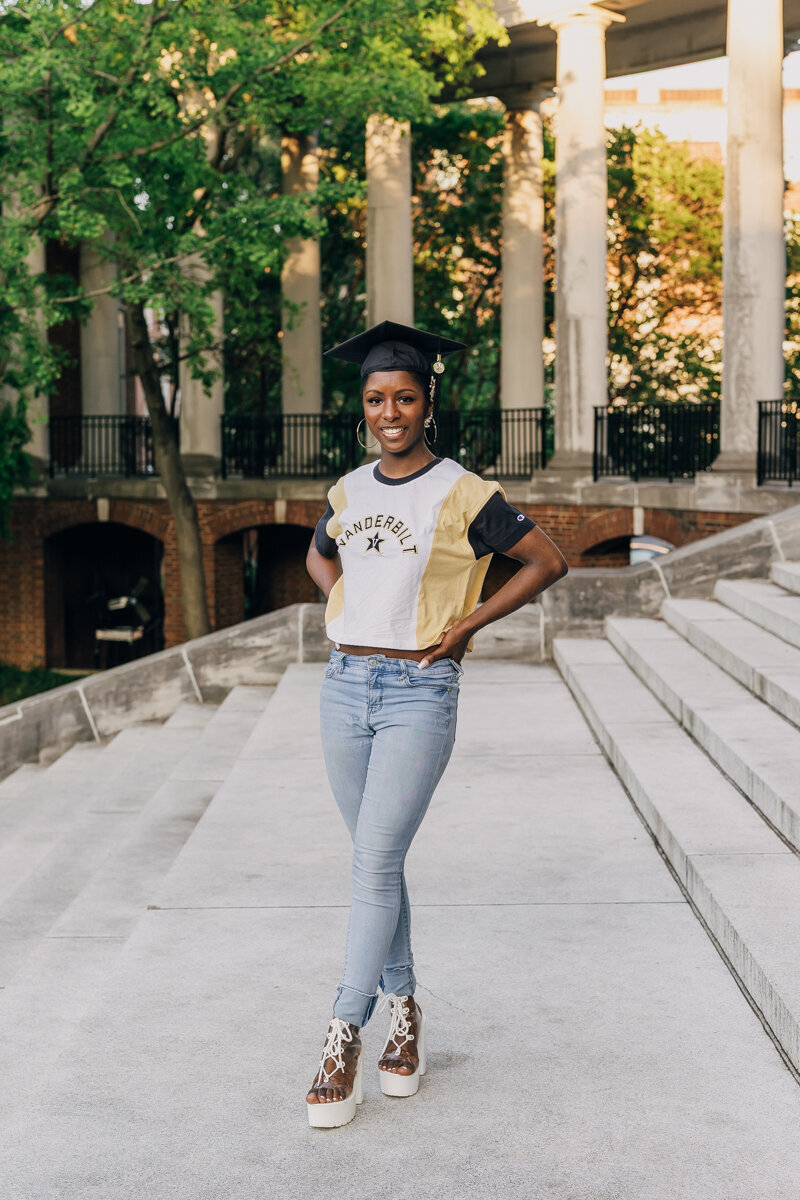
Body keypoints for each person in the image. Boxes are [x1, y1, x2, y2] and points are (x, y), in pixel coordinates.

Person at [304, 320, 567, 1128]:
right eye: (378, 398)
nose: (391, 411)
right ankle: (407, 1011)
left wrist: (468, 625)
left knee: (375, 861)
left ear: (428, 403)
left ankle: (344, 1032)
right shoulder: (348, 490)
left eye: (405, 398)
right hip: (345, 684)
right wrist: (339, 601)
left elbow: (547, 559)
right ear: (364, 406)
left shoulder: (463, 491)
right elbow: (321, 554)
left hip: (420, 689)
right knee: (374, 863)